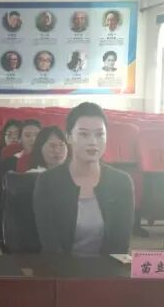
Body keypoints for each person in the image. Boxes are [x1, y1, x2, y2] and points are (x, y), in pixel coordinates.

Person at [33, 102, 134, 255]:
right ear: (69, 137)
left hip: (107, 268)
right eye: (84, 134)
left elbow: (120, 245)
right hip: (60, 268)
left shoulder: (121, 182)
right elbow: (51, 246)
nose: (93, 141)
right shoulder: (47, 182)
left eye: (99, 134)